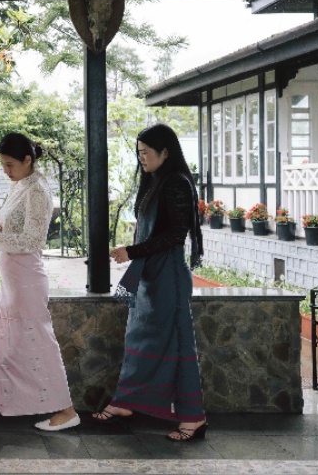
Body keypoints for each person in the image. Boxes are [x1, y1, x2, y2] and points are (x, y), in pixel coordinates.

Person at [0, 133, 79, 432]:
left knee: (39, 343)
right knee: (1, 343)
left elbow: (33, 239)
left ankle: (67, 410)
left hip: (27, 279)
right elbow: (15, 227)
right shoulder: (21, 185)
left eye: (10, 165)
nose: (6, 171)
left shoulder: (37, 190)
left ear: (27, 160)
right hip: (12, 279)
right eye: (2, 166)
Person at [98, 123, 207, 442]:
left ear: (165, 152)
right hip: (152, 273)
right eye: (139, 153)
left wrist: (131, 251)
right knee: (139, 339)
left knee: (177, 343)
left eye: (146, 153)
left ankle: (193, 417)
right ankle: (126, 403)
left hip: (168, 274)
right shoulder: (159, 181)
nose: (141, 159)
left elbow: (174, 235)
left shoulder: (176, 184)